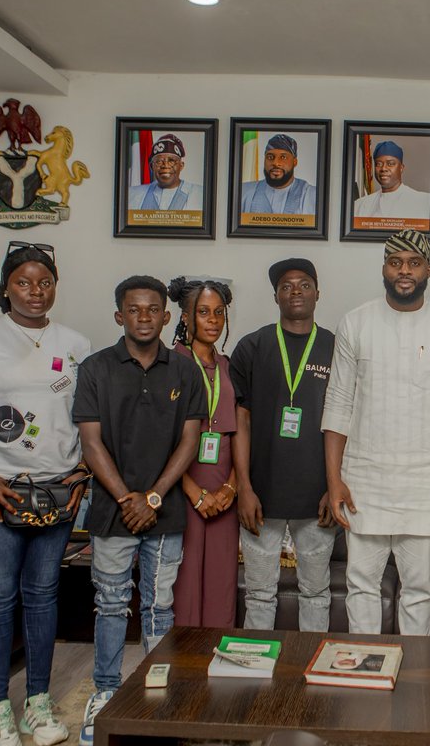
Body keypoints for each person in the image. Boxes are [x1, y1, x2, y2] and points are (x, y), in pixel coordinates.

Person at [0, 242, 91, 746]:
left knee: (43, 596)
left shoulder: (76, 342)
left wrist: (80, 474)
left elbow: (86, 416)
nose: (35, 292)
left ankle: (38, 704)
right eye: (24, 282)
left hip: (57, 490)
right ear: (6, 286)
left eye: (44, 282)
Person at [322, 229, 430, 635]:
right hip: (364, 481)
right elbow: (338, 406)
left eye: (413, 263)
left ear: (428, 268)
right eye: (396, 263)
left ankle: (411, 682)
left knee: (419, 589)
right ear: (384, 268)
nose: (404, 271)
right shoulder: (356, 322)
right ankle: (363, 673)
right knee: (360, 586)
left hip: (426, 483)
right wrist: (334, 480)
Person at [72, 276, 205, 746]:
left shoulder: (185, 372)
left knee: (157, 607)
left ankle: (157, 695)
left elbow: (190, 440)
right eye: (134, 309)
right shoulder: (95, 369)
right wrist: (129, 497)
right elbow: (91, 443)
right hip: (111, 513)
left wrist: (152, 497)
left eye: (154, 309)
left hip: (165, 514)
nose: (145, 316)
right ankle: (105, 694)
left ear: (168, 316)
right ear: (119, 316)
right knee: (109, 604)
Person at [230, 258, 337, 631]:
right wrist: (243, 487)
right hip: (262, 496)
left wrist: (334, 488)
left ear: (318, 294)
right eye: (287, 286)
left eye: (304, 284)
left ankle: (310, 679)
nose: (296, 291)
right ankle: (258, 680)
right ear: (275, 295)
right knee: (258, 593)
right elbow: (239, 421)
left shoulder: (336, 347)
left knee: (316, 592)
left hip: (317, 497)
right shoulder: (252, 347)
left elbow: (346, 424)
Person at [167, 276, 240, 628]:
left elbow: (243, 431)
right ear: (186, 317)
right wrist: (193, 491)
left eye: (219, 313)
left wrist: (232, 486)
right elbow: (159, 440)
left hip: (225, 490)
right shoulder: (170, 365)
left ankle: (216, 663)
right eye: (204, 312)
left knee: (222, 579)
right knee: (185, 579)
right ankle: (184, 668)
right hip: (184, 487)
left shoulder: (229, 367)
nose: (213, 320)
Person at [240, 134, 317, 215]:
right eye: (270, 157)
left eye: (283, 157)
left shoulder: (312, 195)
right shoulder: (244, 192)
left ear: (295, 162)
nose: (275, 163)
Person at [352, 141, 430, 219]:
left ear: (401, 168)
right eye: (378, 164)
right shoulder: (359, 205)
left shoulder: (424, 201)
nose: (383, 168)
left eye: (390, 164)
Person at [126, 134, 204, 211]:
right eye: (159, 161)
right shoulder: (132, 194)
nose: (165, 165)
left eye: (171, 161)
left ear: (181, 165)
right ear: (152, 166)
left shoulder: (200, 195)